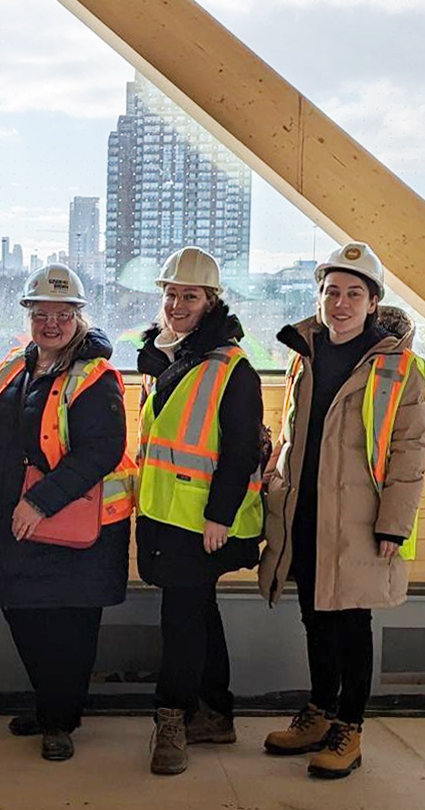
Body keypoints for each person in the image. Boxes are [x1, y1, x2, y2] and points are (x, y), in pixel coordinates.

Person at [259, 241, 425, 779]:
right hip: (306, 512)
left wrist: (393, 525)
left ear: (373, 302)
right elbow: (293, 436)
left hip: (361, 520)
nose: (341, 303)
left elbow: (410, 453)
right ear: (320, 296)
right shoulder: (303, 354)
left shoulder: (400, 368)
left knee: (351, 621)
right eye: (332, 291)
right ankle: (320, 710)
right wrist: (276, 488)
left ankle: (349, 727)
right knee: (315, 616)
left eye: (355, 293)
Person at [0, 263, 134, 762]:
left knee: (69, 628)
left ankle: (60, 720)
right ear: (28, 316)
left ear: (79, 316)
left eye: (63, 314)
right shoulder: (14, 365)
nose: (51, 324)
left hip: (72, 528)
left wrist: (40, 501)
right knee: (24, 615)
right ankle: (50, 706)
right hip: (13, 522)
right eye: (41, 314)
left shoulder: (95, 376)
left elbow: (101, 451)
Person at [136, 247, 264, 776]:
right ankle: (216, 711)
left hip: (202, 522)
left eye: (189, 295)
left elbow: (242, 450)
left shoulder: (231, 367)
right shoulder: (169, 356)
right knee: (199, 612)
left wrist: (220, 516)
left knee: (181, 620)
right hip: (167, 514)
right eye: (171, 293)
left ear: (211, 301)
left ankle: (173, 718)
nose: (177, 303)